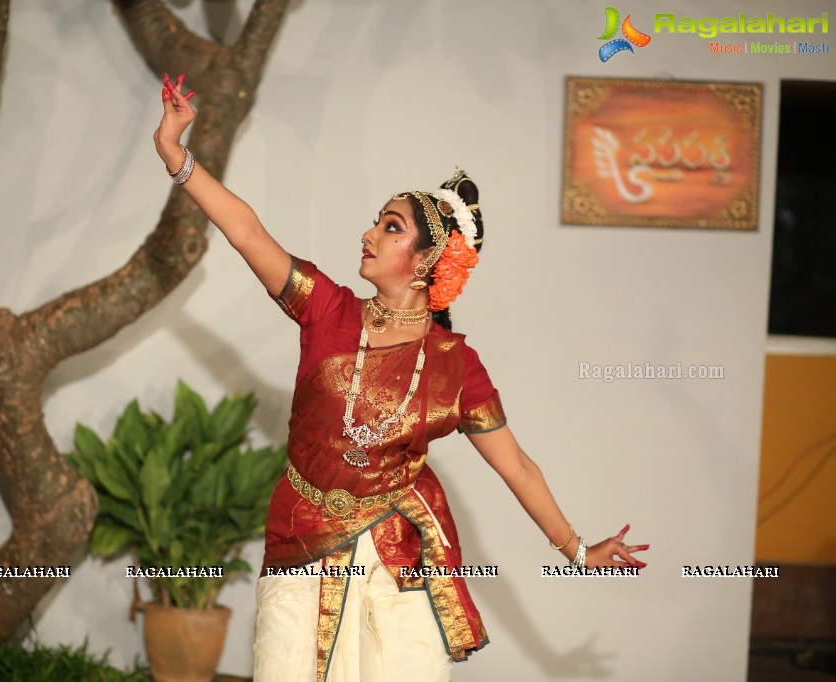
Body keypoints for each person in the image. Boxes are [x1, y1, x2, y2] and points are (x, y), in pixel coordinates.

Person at [153, 74, 649, 682]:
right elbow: (248, 232)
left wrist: (577, 550)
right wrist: (176, 155)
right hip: (300, 534)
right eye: (376, 221)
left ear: (425, 263)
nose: (368, 233)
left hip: (399, 551)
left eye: (390, 227)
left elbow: (515, 465)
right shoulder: (327, 309)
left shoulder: (455, 367)